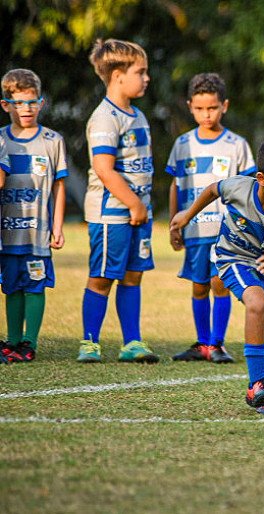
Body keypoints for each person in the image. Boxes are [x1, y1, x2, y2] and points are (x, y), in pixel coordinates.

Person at [170, 136, 264, 415]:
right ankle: (257, 384)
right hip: (233, 259)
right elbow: (213, 190)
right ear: (262, 178)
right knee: (257, 304)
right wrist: (186, 216)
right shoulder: (240, 187)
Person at [77, 39, 159, 363]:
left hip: (139, 213)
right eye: (141, 71)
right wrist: (134, 204)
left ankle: (132, 342)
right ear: (117, 76)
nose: (147, 78)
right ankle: (89, 342)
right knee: (102, 276)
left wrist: (143, 207)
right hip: (112, 213)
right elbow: (104, 169)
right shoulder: (104, 118)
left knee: (133, 275)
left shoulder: (138, 115)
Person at [167, 73, 256, 363]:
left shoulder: (236, 144)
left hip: (225, 232)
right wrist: (174, 223)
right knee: (198, 284)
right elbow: (175, 185)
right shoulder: (182, 144)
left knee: (220, 283)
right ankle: (202, 343)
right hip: (193, 230)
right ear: (190, 106)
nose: (207, 114)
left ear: (224, 106)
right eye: (200, 108)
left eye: (213, 108)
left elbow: (247, 189)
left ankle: (218, 343)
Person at [0, 69, 66, 363]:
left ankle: (30, 342)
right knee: (12, 285)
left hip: (37, 232)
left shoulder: (52, 140)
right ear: (6, 105)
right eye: (18, 103)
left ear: (41, 102)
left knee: (35, 284)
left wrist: (58, 225)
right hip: (7, 231)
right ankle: (12, 341)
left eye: (32, 102)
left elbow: (59, 186)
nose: (26, 109)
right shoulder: (1, 140)